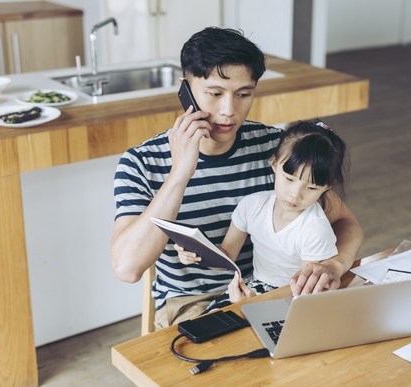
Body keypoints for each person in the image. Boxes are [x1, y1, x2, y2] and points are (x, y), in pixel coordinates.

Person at [110, 27, 364, 330]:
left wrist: (335, 265)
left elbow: (346, 222)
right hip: (195, 303)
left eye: (244, 95)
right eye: (214, 94)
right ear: (185, 89)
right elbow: (127, 268)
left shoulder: (277, 148)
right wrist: (180, 174)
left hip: (273, 291)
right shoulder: (141, 162)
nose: (229, 111)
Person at [179, 120, 348, 310]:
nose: (295, 194)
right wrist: (199, 253)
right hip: (254, 286)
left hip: (291, 298)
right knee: (211, 322)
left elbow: (307, 294)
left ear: (327, 187)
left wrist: (257, 304)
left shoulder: (314, 228)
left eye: (311, 187)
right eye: (289, 179)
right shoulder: (252, 206)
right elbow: (226, 256)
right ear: (274, 163)